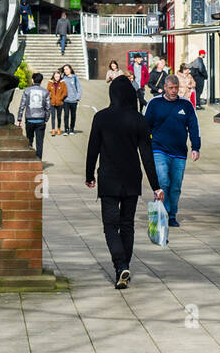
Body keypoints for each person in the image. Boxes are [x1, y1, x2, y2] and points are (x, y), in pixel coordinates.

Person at [85, 75, 164, 290]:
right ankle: (124, 267)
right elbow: (147, 155)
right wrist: (156, 186)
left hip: (109, 178)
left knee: (110, 226)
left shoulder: (101, 118)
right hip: (131, 179)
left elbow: (93, 148)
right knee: (127, 225)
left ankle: (120, 266)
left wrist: (89, 175)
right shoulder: (139, 120)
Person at [143, 74, 200, 228]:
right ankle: (162, 213)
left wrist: (196, 147)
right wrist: (143, 146)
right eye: (171, 88)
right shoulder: (154, 103)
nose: (174, 91)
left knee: (175, 187)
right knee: (163, 182)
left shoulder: (186, 105)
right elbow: (144, 126)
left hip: (179, 152)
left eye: (176, 88)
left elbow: (194, 126)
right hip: (158, 149)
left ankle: (172, 215)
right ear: (165, 88)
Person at [16, 72, 50, 159]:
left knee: (29, 140)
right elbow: (48, 107)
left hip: (29, 119)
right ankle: (38, 160)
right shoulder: (45, 92)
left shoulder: (27, 91)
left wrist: (19, 119)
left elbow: (22, 105)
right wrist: (46, 118)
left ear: (32, 80)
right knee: (39, 143)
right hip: (41, 120)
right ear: (41, 81)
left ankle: (29, 160)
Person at [61, 63, 82, 135]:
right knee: (66, 115)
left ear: (70, 69)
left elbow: (79, 88)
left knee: (73, 115)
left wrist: (78, 97)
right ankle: (66, 129)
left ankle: (72, 129)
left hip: (73, 100)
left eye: (66, 69)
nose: (65, 71)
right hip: (65, 100)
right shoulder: (63, 78)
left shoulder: (74, 77)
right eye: (64, 69)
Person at [47, 69, 67, 137]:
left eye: (58, 76)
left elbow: (65, 92)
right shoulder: (50, 82)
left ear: (60, 76)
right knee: (53, 116)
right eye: (56, 76)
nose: (57, 78)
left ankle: (58, 128)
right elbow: (47, 91)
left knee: (59, 117)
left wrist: (60, 98)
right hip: (52, 102)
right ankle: (53, 129)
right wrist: (51, 96)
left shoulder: (62, 83)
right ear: (53, 76)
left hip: (60, 103)